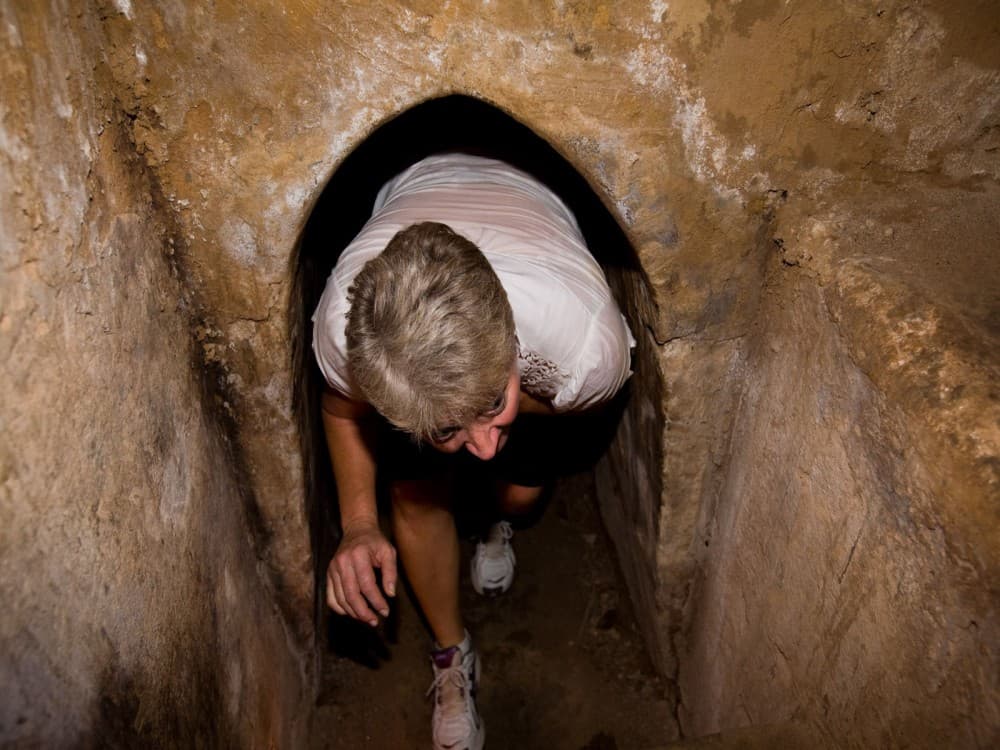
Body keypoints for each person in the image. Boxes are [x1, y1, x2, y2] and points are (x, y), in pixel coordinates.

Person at [312, 153, 634, 750]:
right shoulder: (343, 331)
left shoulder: (587, 345)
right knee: (413, 495)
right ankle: (450, 653)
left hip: (534, 198)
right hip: (411, 185)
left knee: (516, 495)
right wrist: (358, 525)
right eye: (448, 431)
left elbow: (574, 416)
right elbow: (338, 408)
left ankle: (494, 523)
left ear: (515, 351)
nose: (482, 449)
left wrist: (488, 417)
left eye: (493, 404)